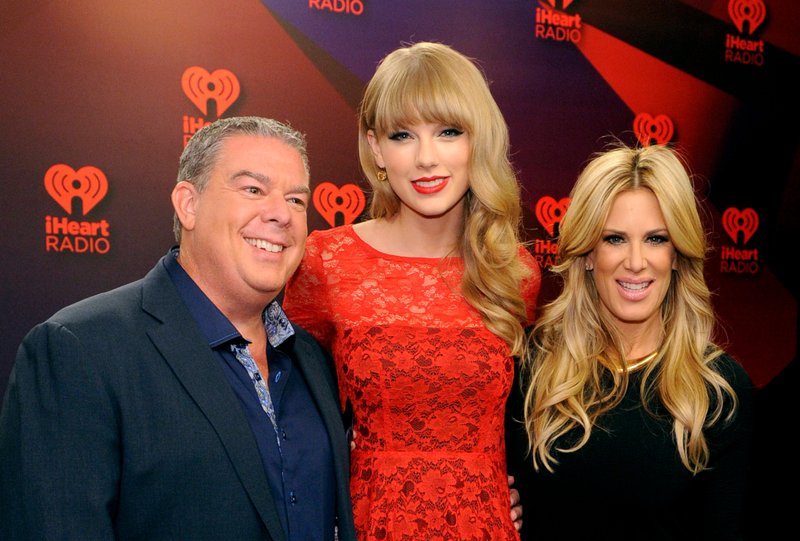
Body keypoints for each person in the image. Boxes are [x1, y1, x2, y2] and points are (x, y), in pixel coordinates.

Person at [0, 116, 357, 541]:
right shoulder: (80, 350)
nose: (281, 214)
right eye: (253, 190)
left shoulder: (313, 360)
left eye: (297, 200)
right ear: (189, 204)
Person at [282, 41, 541, 540]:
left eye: (448, 132)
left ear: (478, 141)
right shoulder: (325, 262)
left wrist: (510, 488)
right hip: (368, 523)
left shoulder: (514, 272)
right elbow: (289, 414)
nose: (426, 158)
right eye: (403, 135)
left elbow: (526, 422)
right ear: (377, 149)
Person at [519, 142, 754, 540]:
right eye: (614, 238)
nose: (635, 261)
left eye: (656, 239)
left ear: (677, 254)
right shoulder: (529, 367)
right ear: (588, 253)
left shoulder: (720, 389)